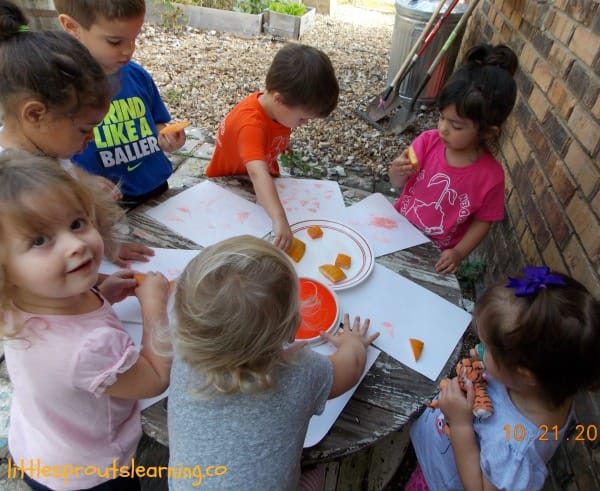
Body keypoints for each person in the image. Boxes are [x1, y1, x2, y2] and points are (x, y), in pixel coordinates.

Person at [0, 149, 172, 491]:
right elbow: (153, 380)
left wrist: (103, 294)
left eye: (77, 223)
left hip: (40, 444)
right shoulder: (93, 346)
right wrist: (154, 306)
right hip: (90, 471)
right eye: (39, 240)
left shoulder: (14, 300)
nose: (75, 245)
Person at [167, 235, 378, 490]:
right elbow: (351, 368)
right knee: (318, 472)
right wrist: (353, 343)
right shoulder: (300, 369)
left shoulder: (181, 352)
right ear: (292, 328)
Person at [407, 266, 600, 491]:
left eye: (487, 349)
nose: (476, 350)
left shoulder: (516, 452)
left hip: (440, 481)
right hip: (443, 454)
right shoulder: (554, 382)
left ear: (524, 373)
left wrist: (460, 425)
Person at [0, 0, 154, 266]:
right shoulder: (9, 184)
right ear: (36, 114)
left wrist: (108, 245)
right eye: (85, 129)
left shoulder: (45, 150)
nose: (91, 138)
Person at [389, 44, 518, 274]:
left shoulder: (491, 177)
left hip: (434, 255)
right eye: (441, 117)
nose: (443, 129)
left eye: (456, 125)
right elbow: (397, 182)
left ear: (488, 132)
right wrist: (397, 172)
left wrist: (459, 252)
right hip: (398, 230)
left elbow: (483, 221)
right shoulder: (428, 142)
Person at [205, 43, 339, 252]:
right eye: (302, 119)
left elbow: (274, 129)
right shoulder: (250, 125)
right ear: (278, 99)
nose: (303, 124)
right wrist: (279, 219)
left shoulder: (276, 109)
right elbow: (257, 174)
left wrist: (282, 143)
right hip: (231, 188)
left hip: (258, 179)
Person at [54, 0, 186, 209]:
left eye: (134, 38)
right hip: (103, 200)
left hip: (155, 186)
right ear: (72, 27)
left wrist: (167, 135)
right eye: (115, 42)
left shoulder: (137, 74)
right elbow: (47, 154)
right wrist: (83, 179)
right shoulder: (59, 87)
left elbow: (157, 122)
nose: (129, 50)